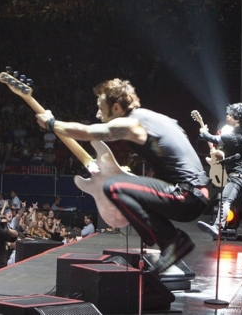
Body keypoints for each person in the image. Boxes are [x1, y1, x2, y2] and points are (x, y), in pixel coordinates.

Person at [35, 78, 210, 274]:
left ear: (117, 108)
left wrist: (52, 124)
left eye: (101, 108)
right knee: (128, 188)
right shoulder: (155, 118)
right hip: (193, 193)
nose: (98, 114)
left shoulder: (131, 124)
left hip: (187, 196)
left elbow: (87, 132)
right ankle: (166, 240)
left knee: (113, 187)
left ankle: (172, 241)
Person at [197, 103, 242, 239]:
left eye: (230, 115)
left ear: (237, 120)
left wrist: (203, 131)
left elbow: (210, 138)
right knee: (241, 205)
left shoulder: (230, 137)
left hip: (237, 178)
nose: (227, 116)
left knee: (225, 201)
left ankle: (217, 227)